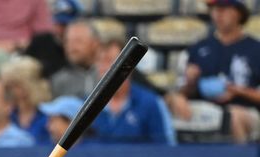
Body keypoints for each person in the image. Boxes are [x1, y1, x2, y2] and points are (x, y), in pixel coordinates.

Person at [166, 0, 260, 144]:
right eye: (214, 9)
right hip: (204, 108)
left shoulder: (255, 49)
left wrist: (237, 91)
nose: (218, 14)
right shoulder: (198, 48)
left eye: (224, 8)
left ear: (239, 12)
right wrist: (189, 85)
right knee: (169, 102)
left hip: (245, 110)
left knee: (232, 116)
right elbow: (183, 91)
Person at [91, 39, 176, 145]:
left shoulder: (151, 103)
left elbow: (165, 150)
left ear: (128, 65)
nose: (104, 67)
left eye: (109, 61)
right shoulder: (87, 105)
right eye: (100, 61)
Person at [0, 55, 52, 144]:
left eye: (17, 85)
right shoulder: (7, 115)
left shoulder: (48, 116)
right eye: (10, 86)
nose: (12, 91)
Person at [24, 0, 82, 80]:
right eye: (56, 24)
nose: (59, 29)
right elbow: (23, 66)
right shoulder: (41, 41)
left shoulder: (82, 45)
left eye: (64, 25)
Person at [49, 19, 100, 99]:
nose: (71, 47)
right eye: (67, 41)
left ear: (94, 43)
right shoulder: (58, 81)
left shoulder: (107, 73)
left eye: (78, 41)